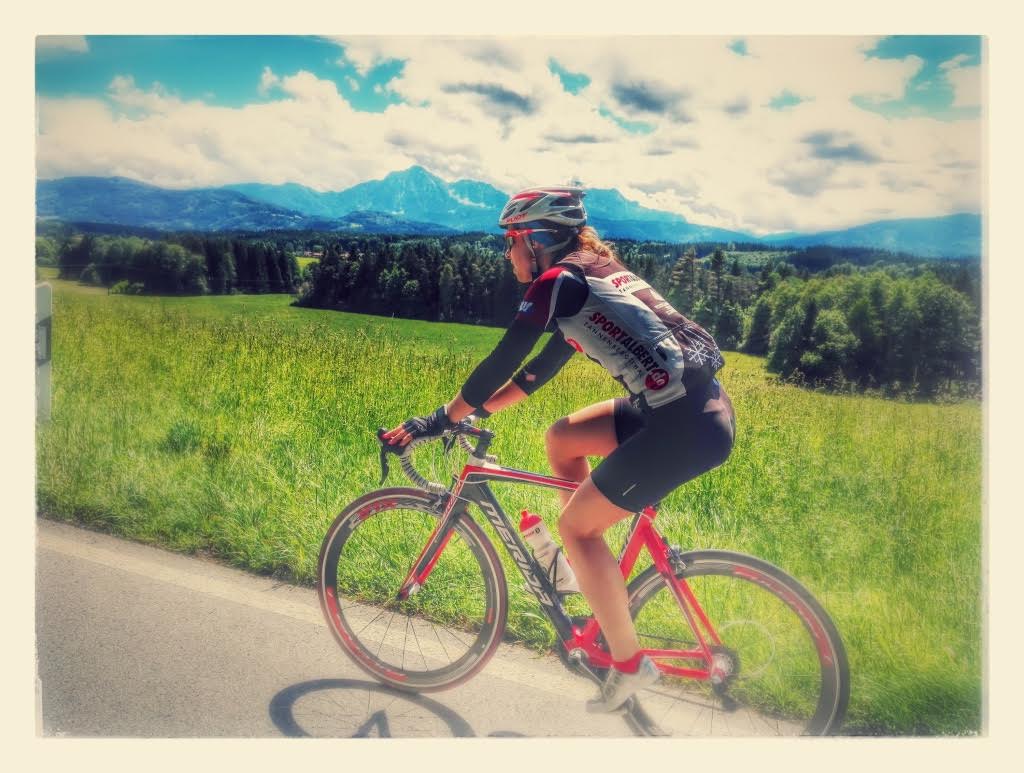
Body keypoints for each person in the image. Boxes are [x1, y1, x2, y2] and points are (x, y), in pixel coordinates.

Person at [383, 186, 736, 712]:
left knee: (575, 525)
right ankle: (595, 577)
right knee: (562, 439)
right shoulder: (587, 273)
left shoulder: (557, 281)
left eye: (511, 241)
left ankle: (626, 664)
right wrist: (476, 412)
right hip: (684, 405)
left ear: (536, 239)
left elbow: (506, 357)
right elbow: (533, 374)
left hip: (684, 424)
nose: (507, 254)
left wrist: (438, 419)